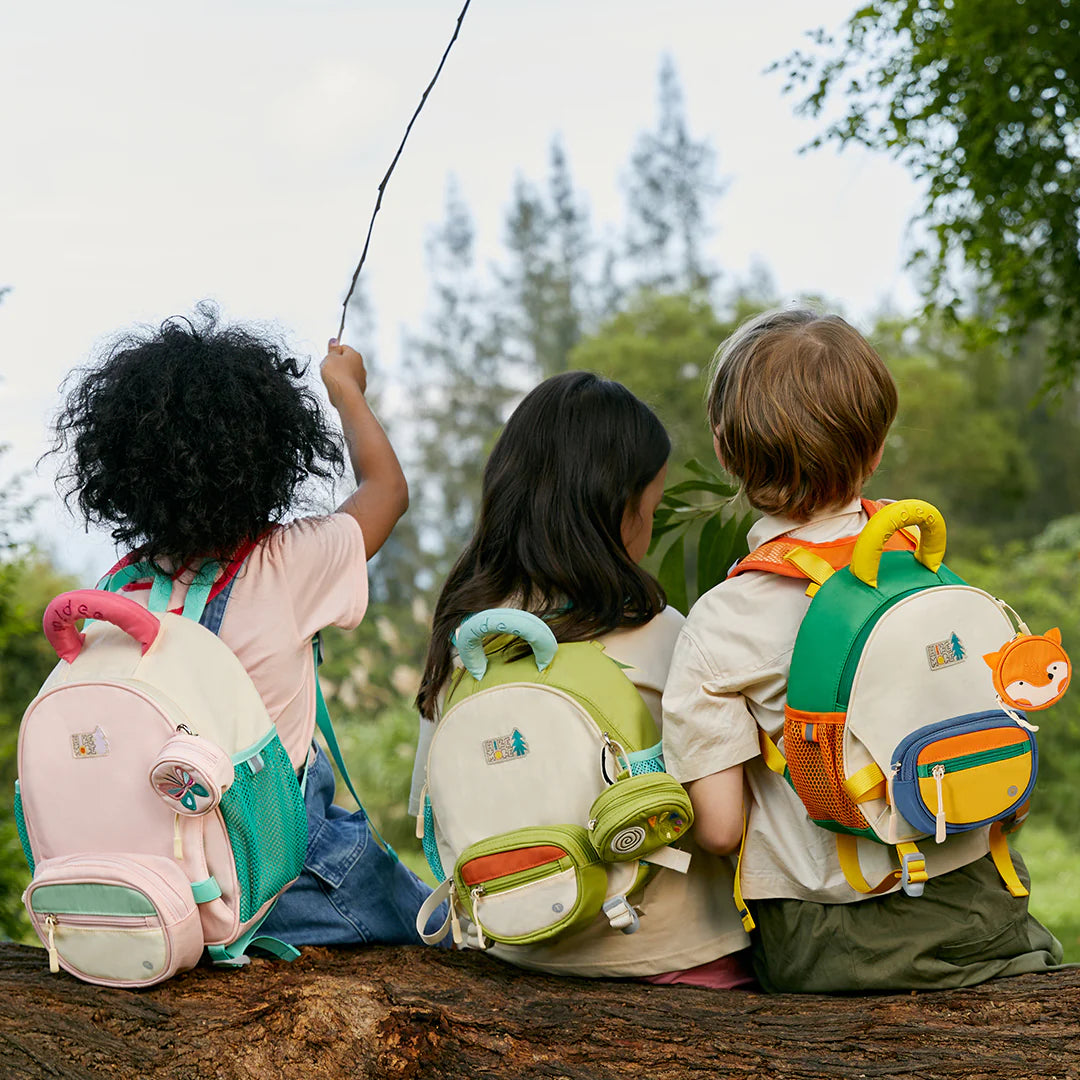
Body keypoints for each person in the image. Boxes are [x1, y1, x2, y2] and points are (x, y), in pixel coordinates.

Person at [661, 307, 1063, 993]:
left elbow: (722, 829)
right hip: (983, 906)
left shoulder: (722, 621)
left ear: (725, 452)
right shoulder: (929, 571)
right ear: (876, 450)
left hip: (827, 941)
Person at [52, 304, 441, 948]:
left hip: (143, 880)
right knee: (436, 930)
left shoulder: (115, 590)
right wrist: (346, 391)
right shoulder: (288, 562)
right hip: (274, 887)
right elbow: (386, 490)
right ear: (269, 454)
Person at [410, 370, 754, 986]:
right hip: (676, 958)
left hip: (515, 954)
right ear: (618, 514)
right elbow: (719, 818)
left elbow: (433, 817)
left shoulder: (466, 641)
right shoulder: (665, 632)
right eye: (649, 509)